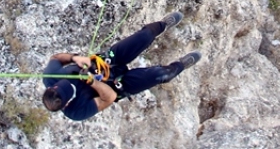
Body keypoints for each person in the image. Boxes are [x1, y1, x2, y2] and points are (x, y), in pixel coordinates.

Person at [41, 12, 200, 121]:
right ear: (67, 103)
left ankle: (163, 24)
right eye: (68, 89)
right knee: (160, 75)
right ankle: (180, 65)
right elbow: (108, 98)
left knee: (144, 36)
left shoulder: (50, 77)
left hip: (104, 63)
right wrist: (92, 82)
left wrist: (74, 57)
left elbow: (56, 58)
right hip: (115, 85)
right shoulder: (76, 111)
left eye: (60, 84)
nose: (66, 83)